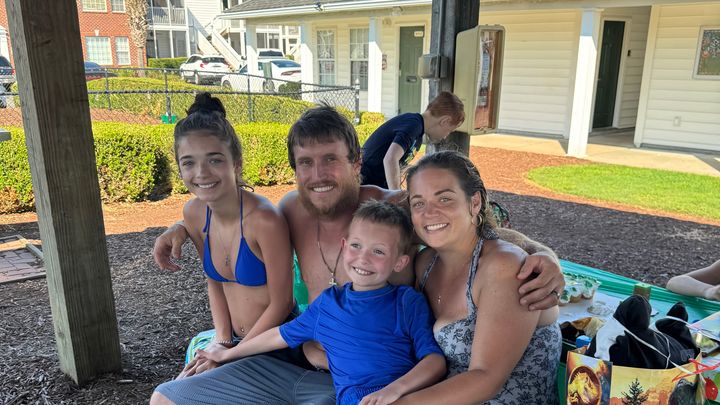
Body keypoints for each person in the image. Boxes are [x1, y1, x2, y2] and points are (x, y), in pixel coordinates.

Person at [151, 105, 565, 404]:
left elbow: (468, 229)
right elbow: (234, 213)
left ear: (356, 162)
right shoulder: (291, 210)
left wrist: (543, 255)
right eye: (306, 163)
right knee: (169, 397)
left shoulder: (387, 212)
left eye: (331, 160)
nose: (318, 176)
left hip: (373, 381)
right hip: (303, 361)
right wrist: (181, 228)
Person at [197, 200, 446, 405]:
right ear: (344, 247)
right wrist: (228, 354)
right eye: (356, 246)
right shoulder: (329, 304)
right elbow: (279, 335)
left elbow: (434, 361)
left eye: (378, 251)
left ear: (400, 262)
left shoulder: (407, 302)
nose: (363, 258)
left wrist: (394, 390)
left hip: (405, 397)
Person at [394, 150, 562, 404]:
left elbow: (486, 378)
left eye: (445, 199)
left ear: (474, 203)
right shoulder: (426, 264)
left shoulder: (504, 266)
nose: (429, 212)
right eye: (419, 203)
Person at [164, 92, 294, 379]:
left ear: (236, 162)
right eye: (188, 162)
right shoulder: (194, 214)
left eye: (214, 160)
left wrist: (231, 355)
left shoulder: (264, 220)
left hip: (274, 344)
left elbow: (283, 303)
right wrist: (221, 341)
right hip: (231, 341)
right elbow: (215, 281)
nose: (201, 173)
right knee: (180, 385)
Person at [360, 91, 464, 190]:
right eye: (449, 131)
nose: (446, 136)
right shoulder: (413, 125)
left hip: (375, 185)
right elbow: (390, 159)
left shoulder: (418, 133)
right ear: (445, 121)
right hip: (363, 183)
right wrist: (395, 195)